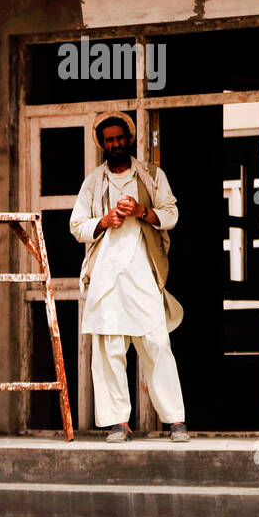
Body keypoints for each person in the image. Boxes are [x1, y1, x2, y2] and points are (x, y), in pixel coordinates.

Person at [69, 111, 189, 442]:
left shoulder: (151, 175)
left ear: (129, 139)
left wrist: (141, 212)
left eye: (120, 138)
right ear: (102, 144)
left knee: (156, 343)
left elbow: (172, 213)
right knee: (109, 349)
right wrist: (104, 220)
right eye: (109, 140)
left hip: (143, 275)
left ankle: (175, 420)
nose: (116, 144)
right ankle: (117, 423)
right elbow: (76, 225)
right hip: (106, 278)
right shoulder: (93, 182)